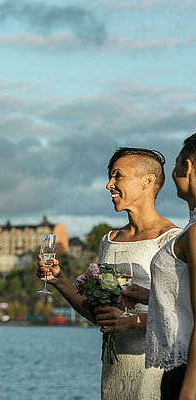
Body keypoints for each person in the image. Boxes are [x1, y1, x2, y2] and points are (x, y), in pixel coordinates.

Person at [37, 147, 180, 400]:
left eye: (117, 176)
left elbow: (183, 315)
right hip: (113, 373)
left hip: (155, 373)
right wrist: (59, 280)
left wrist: (132, 322)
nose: (108, 185)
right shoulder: (109, 240)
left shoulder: (172, 241)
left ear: (147, 181)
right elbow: (98, 315)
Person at [129, 133, 196, 400]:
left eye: (177, 162)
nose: (173, 170)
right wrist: (149, 295)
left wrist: (189, 389)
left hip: (186, 371)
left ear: (188, 167)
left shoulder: (193, 234)